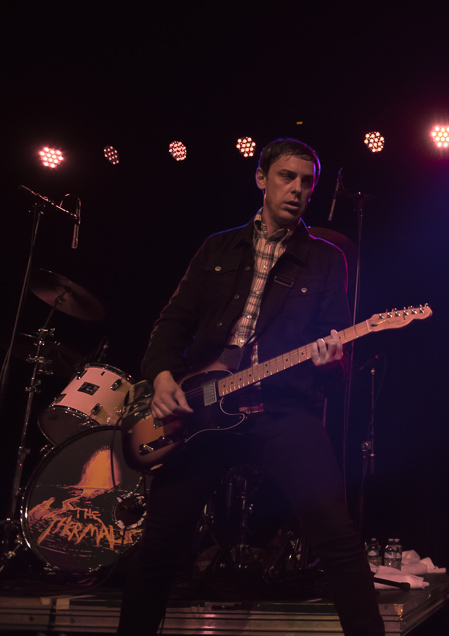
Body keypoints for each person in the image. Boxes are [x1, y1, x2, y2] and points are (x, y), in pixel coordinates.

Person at [116, 138, 385, 635]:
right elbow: (173, 322)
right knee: (158, 546)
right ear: (261, 179)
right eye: (287, 177)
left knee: (338, 540)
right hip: (200, 411)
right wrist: (162, 378)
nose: (298, 189)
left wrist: (331, 360)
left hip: (282, 409)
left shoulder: (326, 260)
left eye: (307, 182)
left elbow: (334, 350)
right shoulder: (217, 247)